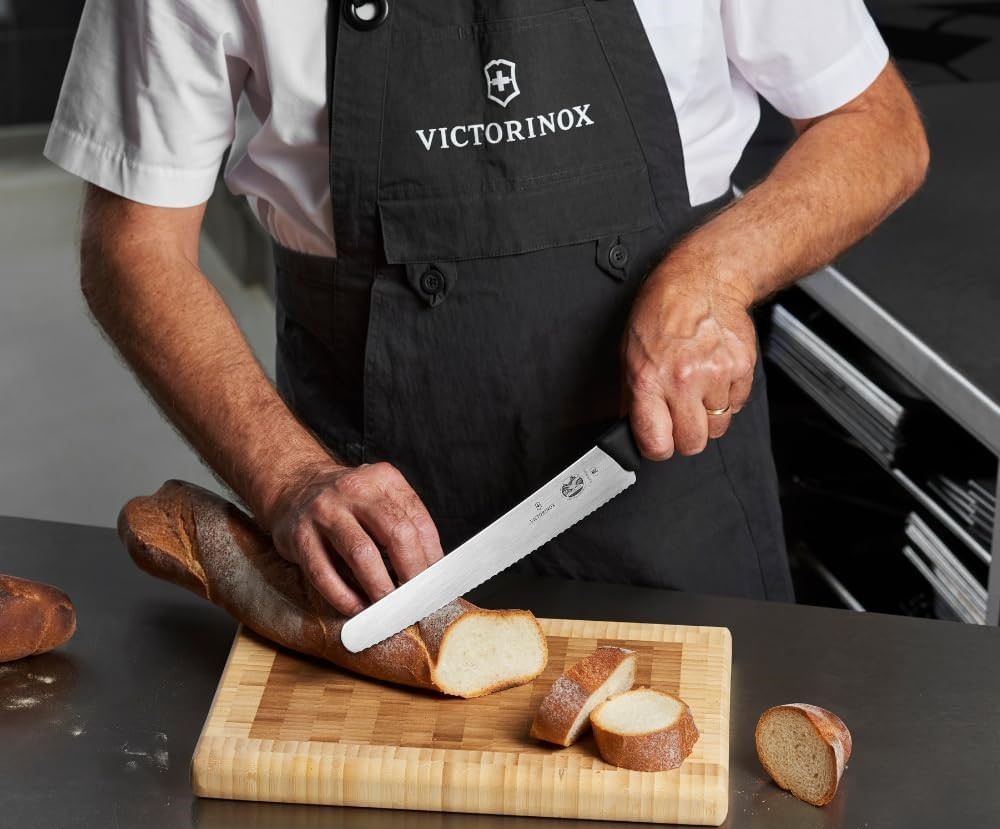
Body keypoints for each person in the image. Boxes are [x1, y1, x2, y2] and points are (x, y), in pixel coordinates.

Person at [46, 1, 928, 615]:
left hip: (674, 504)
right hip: (375, 543)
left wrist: (716, 273)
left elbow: (876, 125)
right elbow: (132, 247)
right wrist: (288, 478)